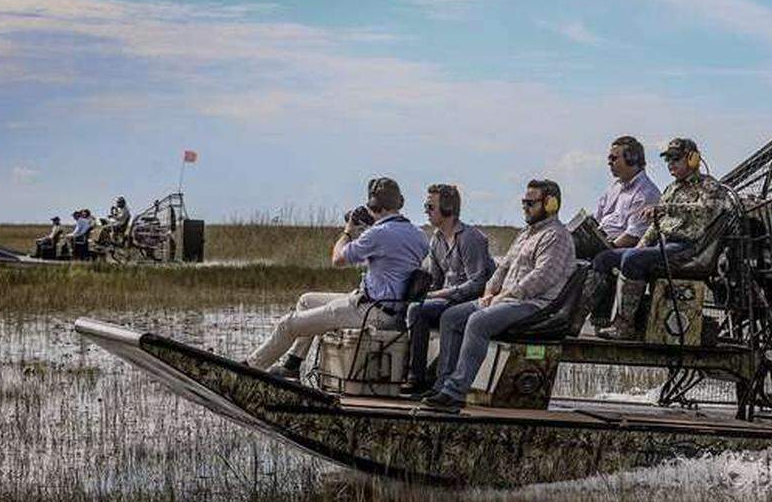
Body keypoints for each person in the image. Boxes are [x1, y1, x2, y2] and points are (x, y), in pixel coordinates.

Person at [245, 177, 429, 379]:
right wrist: (369, 230)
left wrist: (348, 232)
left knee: (287, 325)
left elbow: (338, 259)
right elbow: (393, 256)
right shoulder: (418, 234)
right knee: (306, 301)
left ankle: (248, 368)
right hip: (391, 309)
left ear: (373, 205)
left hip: (370, 310)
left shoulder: (378, 234)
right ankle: (292, 364)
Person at [421, 179, 575, 412]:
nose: (525, 207)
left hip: (534, 305)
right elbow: (502, 268)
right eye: (523, 202)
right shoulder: (526, 234)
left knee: (478, 321)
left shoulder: (557, 236)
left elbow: (541, 278)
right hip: (507, 299)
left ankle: (454, 393)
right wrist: (489, 292)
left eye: (530, 203)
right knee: (451, 317)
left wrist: (502, 297)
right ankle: (441, 385)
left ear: (550, 204)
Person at [594, 138, 731, 340]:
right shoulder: (671, 189)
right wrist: (640, 247)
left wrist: (666, 209)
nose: (670, 164)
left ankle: (624, 325)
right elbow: (655, 225)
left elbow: (705, 212)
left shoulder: (710, 187)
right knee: (605, 258)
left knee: (632, 259)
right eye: (668, 160)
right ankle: (599, 321)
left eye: (675, 159)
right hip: (664, 245)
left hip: (689, 250)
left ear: (692, 159)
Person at [401, 184, 496, 396]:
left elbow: (477, 283)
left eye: (430, 207)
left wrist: (438, 294)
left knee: (446, 316)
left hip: (472, 299)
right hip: (450, 298)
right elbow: (435, 282)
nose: (426, 211)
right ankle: (415, 378)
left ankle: (442, 383)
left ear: (448, 208)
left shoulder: (470, 238)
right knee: (415, 309)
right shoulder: (436, 239)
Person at [585, 136, 661, 329]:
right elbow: (597, 219)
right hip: (603, 239)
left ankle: (593, 318)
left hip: (623, 245)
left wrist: (606, 247)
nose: (609, 163)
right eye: (609, 158)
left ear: (632, 159)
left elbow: (634, 236)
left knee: (603, 257)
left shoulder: (646, 193)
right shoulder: (615, 187)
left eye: (614, 158)